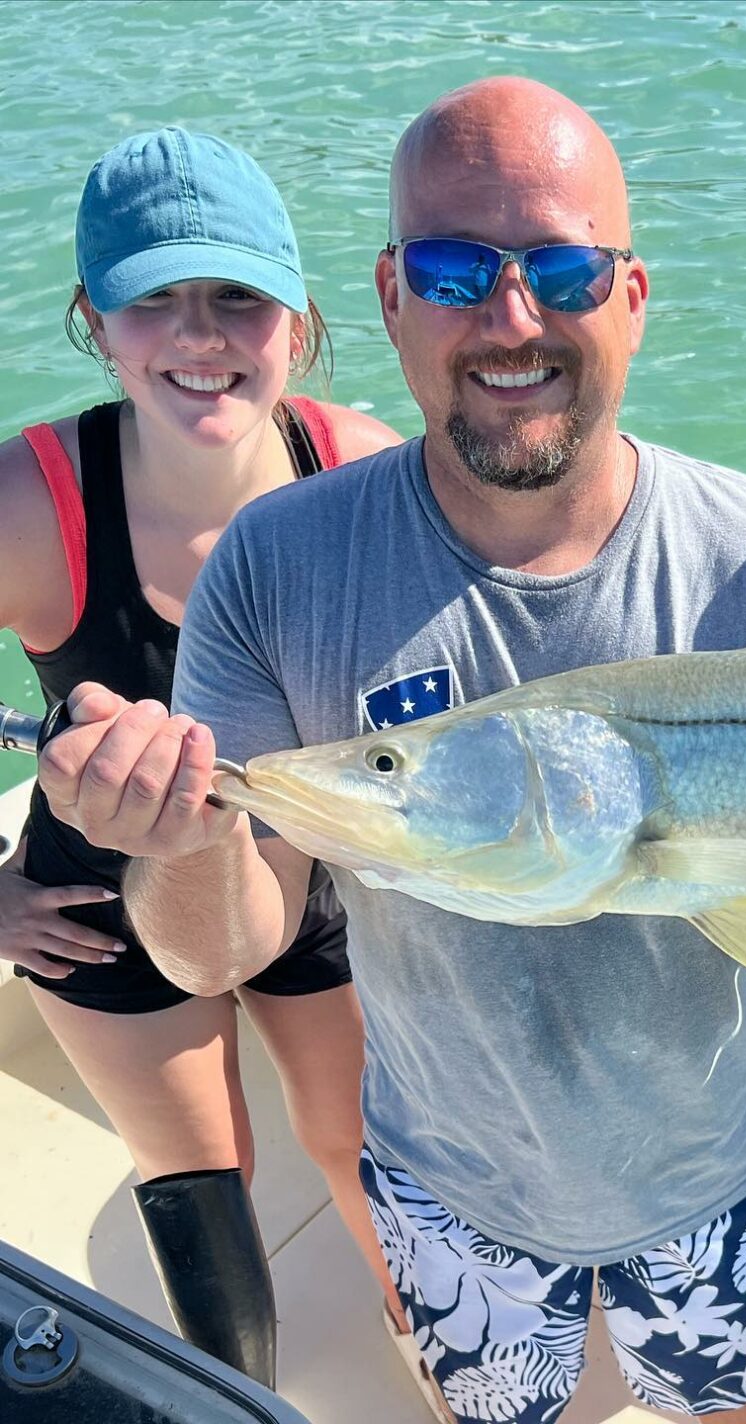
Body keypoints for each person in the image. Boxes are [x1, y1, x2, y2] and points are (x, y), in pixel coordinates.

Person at [33, 82, 746, 1424]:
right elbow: (219, 954)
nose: (511, 318)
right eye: (453, 268)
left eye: (564, 268)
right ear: (387, 296)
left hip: (711, 1167)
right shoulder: (272, 567)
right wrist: (190, 840)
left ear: (634, 296)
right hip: (444, 1178)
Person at [0, 127, 403, 1386]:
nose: (199, 334)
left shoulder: (362, 468)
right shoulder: (32, 502)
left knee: (363, 1147)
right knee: (205, 1187)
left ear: (299, 315)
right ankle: (238, 1403)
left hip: (304, 868)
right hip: (98, 902)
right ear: (95, 321)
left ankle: (451, 1366)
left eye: (236, 294)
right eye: (151, 298)